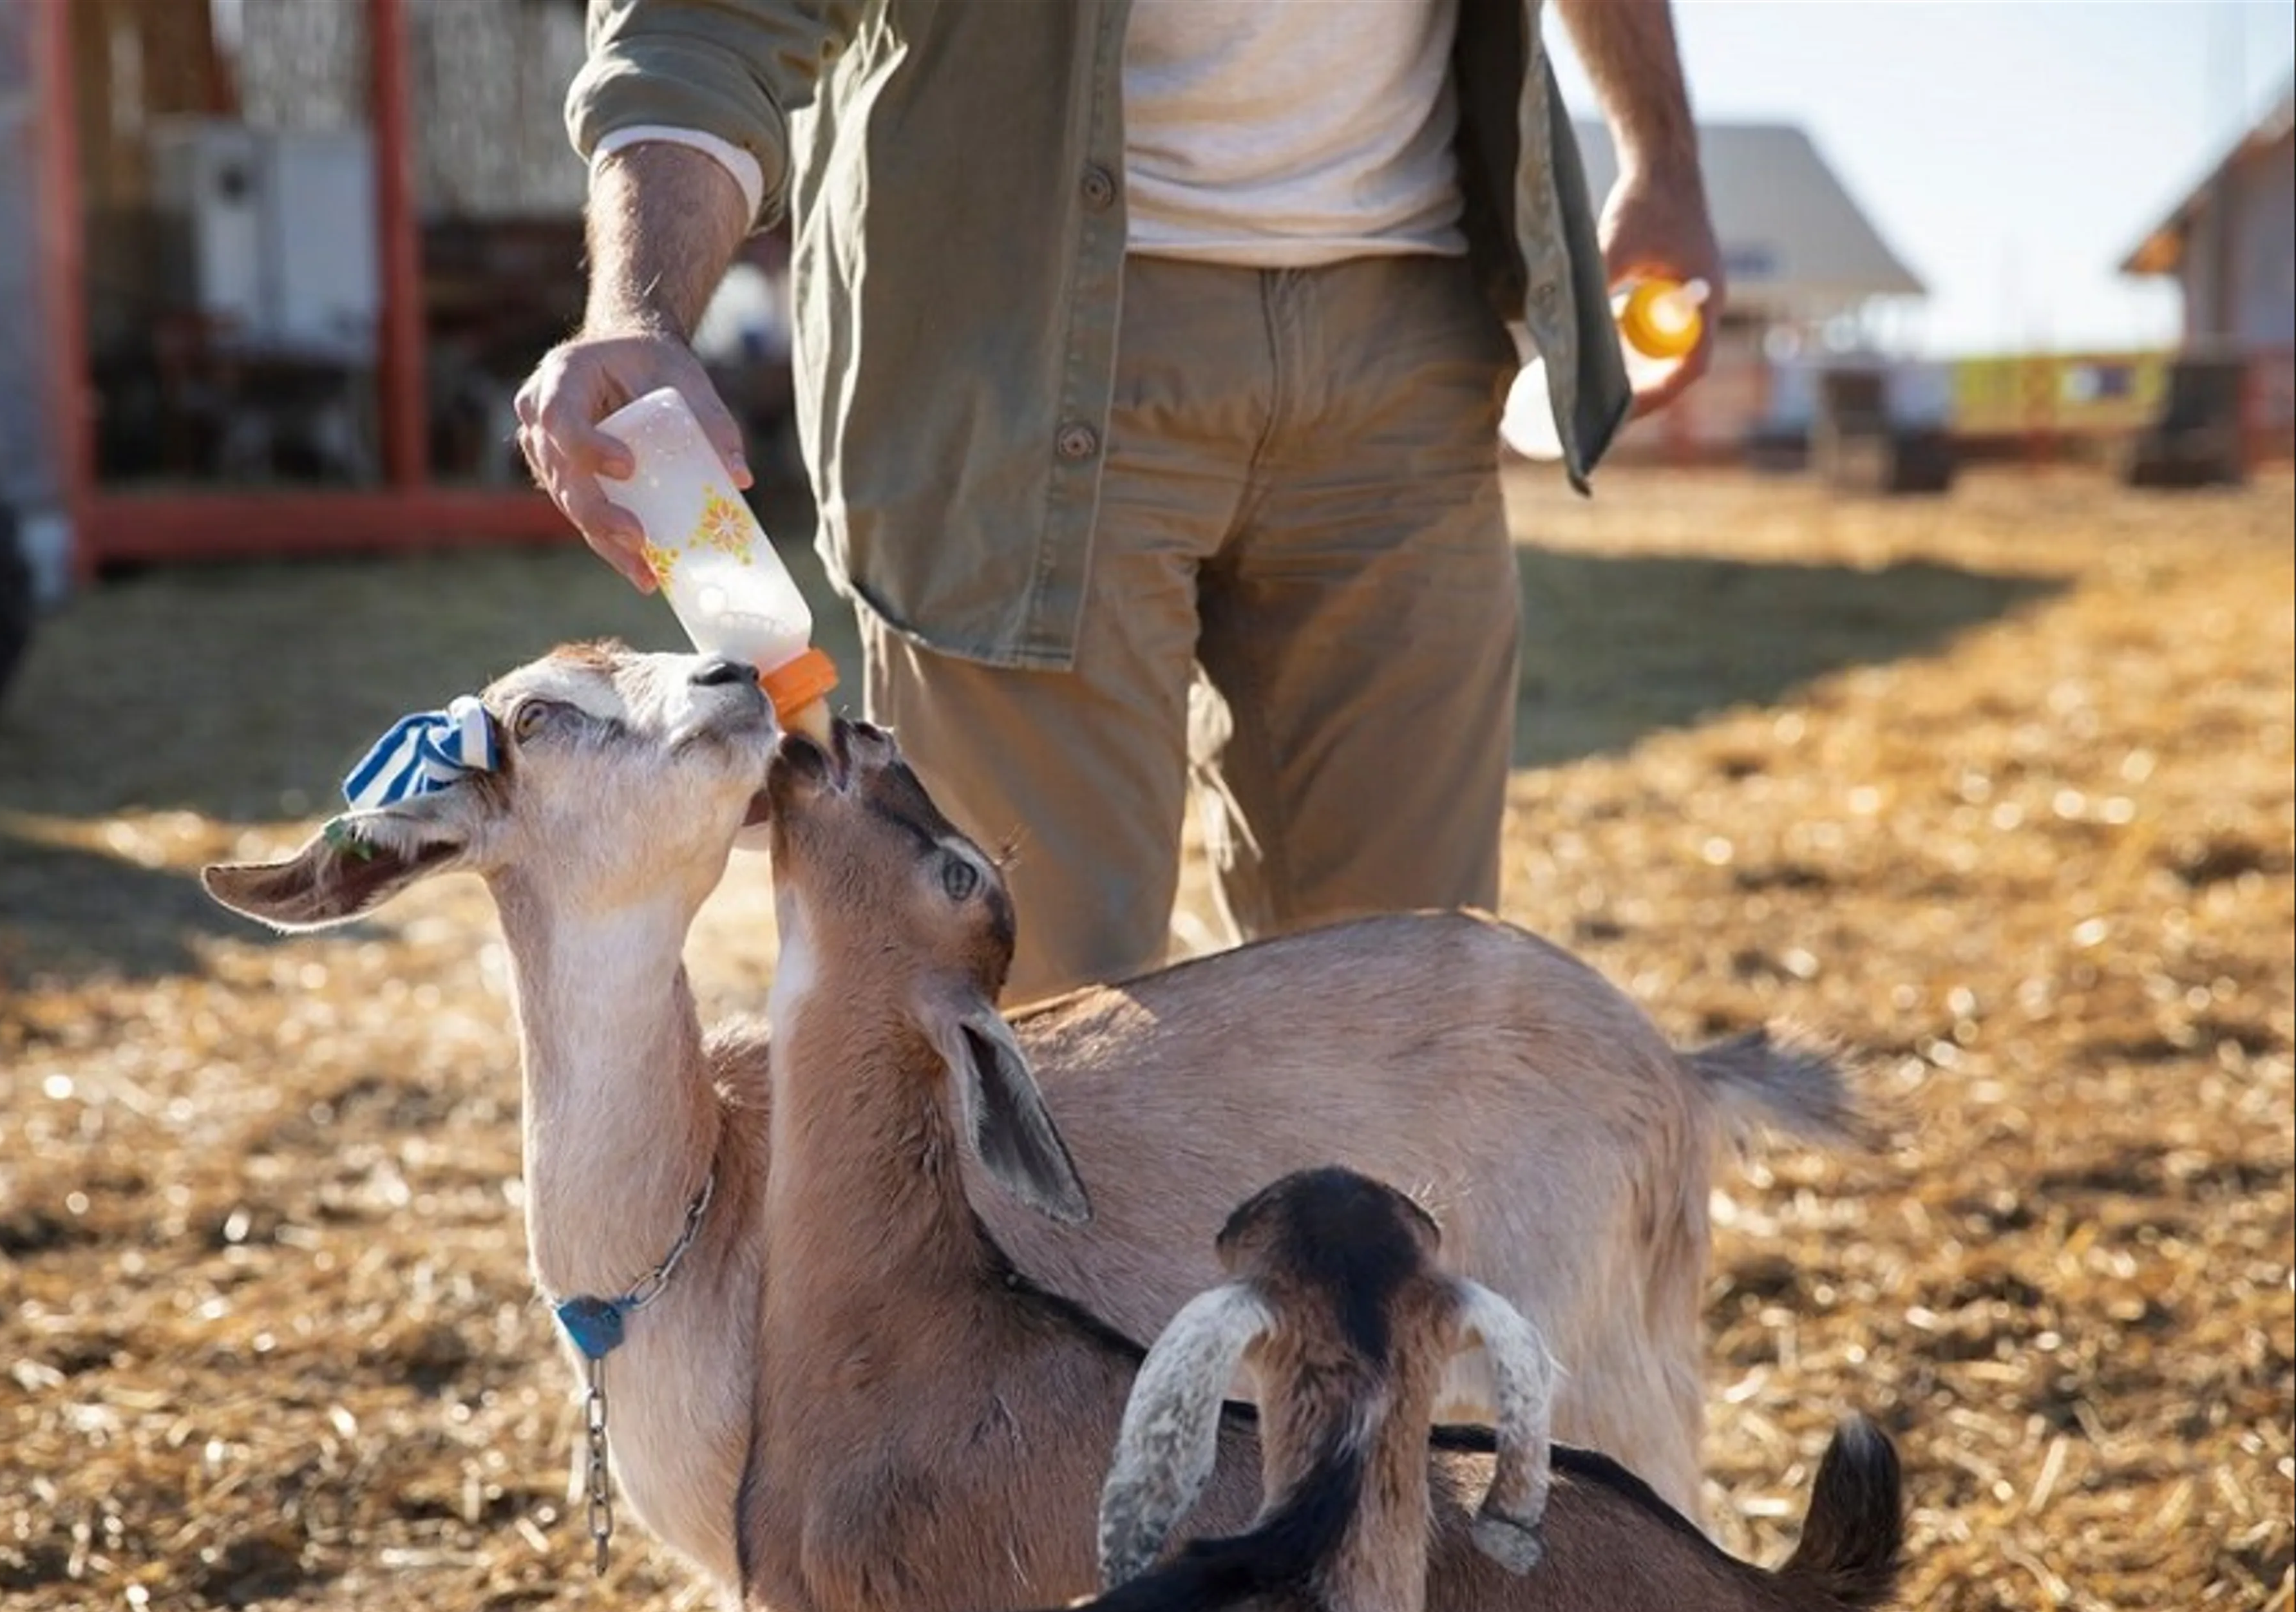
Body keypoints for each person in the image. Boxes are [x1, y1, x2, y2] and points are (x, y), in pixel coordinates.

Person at [517, 0, 1724, 1003]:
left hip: (1414, 331)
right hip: (1017, 352)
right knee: (1038, 1015)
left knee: (1402, 1016)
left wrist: (1662, 154)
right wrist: (638, 308)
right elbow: (707, 15)